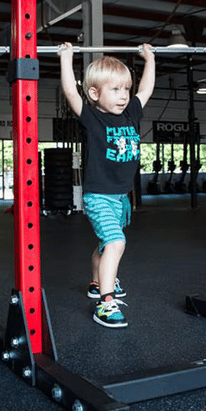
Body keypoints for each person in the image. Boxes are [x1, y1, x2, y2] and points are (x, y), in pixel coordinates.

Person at [58, 42, 155, 327]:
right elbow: (69, 93)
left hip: (121, 197)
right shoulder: (93, 117)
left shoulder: (131, 113)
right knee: (115, 242)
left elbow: (145, 89)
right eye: (115, 90)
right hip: (99, 196)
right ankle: (106, 302)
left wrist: (149, 59)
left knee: (105, 243)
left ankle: (95, 282)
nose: (124, 96)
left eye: (125, 89)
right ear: (94, 94)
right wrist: (67, 59)